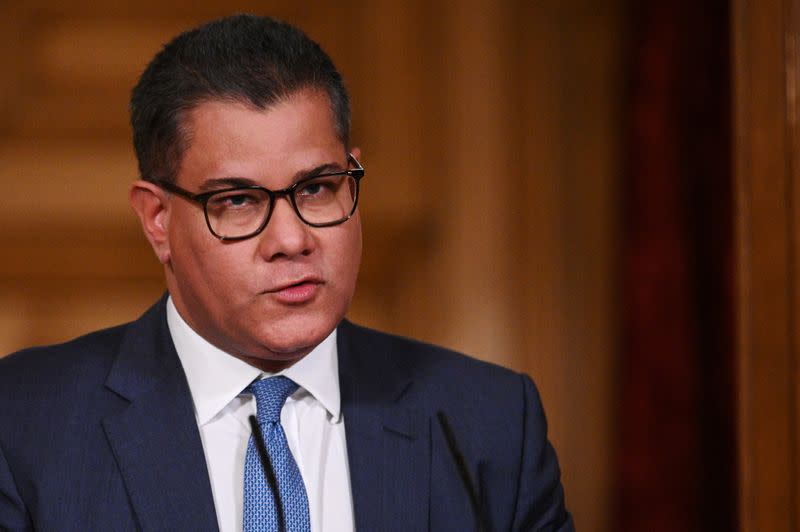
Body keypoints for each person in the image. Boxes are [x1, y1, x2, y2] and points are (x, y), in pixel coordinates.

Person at [0, 14, 573, 532]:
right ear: (157, 219)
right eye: (240, 201)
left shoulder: (490, 424)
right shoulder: (24, 425)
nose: (292, 240)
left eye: (317, 188)